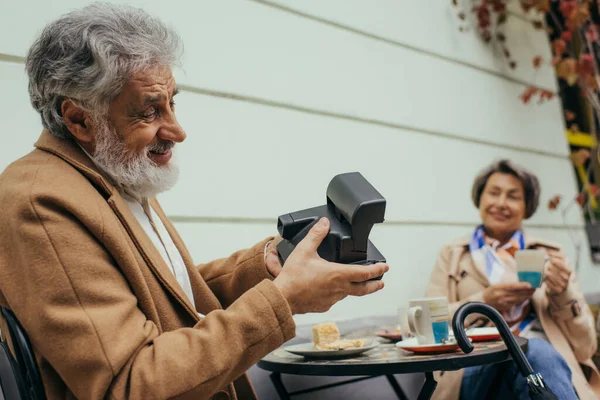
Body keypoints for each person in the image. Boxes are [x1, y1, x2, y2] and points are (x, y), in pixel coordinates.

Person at [0, 3, 389, 399]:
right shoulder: (41, 201)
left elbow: (170, 300)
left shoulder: (111, 172)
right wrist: (283, 299)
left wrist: (269, 266)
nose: (177, 130)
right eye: (150, 111)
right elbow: (129, 383)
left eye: (172, 103)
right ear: (80, 120)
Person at [426, 159, 600, 400]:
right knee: (528, 351)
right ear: (480, 199)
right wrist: (485, 301)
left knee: (534, 350)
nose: (500, 203)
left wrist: (562, 295)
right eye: (494, 193)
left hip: (544, 362)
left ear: (527, 206)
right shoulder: (454, 254)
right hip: (476, 365)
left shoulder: (550, 255)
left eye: (513, 196)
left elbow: (585, 348)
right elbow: (427, 323)